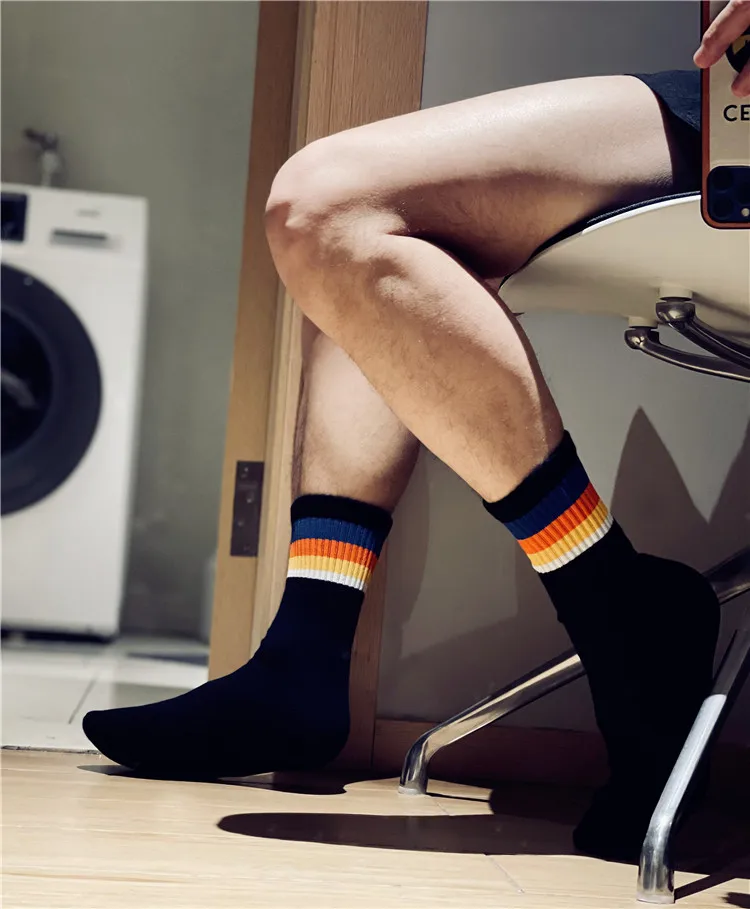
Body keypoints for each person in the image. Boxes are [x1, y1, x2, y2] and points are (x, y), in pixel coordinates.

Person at [83, 7, 750, 863]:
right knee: (367, 230)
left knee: (326, 204)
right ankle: (308, 645)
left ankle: (612, 605)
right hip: (727, 104)